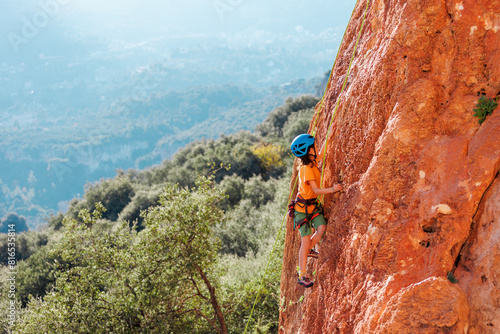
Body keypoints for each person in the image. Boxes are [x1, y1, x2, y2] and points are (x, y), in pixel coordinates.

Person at [290, 133, 343, 288]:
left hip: (312, 206)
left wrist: (330, 136)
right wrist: (333, 189)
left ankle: (308, 250)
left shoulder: (311, 163)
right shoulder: (306, 169)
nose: (316, 147)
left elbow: (320, 155)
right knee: (305, 242)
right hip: (302, 209)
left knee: (322, 228)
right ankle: (302, 274)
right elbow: (316, 190)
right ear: (308, 151)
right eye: (314, 146)